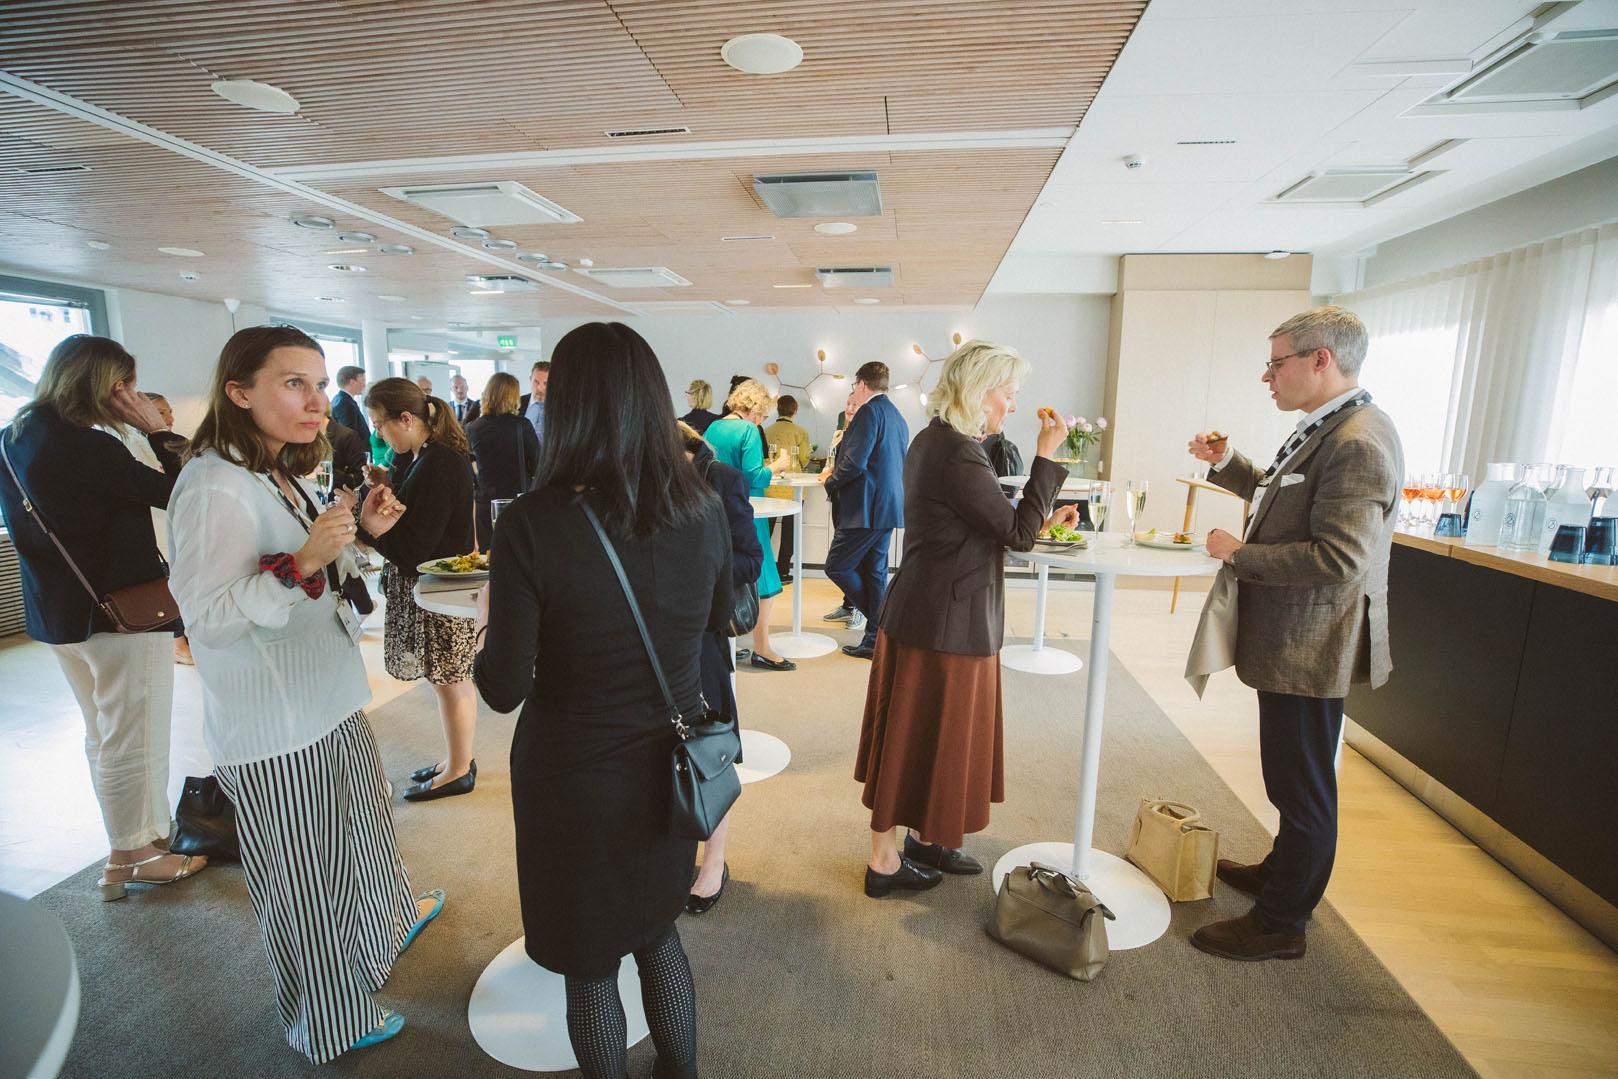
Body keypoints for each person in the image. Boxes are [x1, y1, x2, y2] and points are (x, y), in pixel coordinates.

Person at [168, 325, 441, 1061]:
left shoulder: (272, 468)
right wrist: (305, 560)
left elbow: (319, 571)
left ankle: (384, 925)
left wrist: (362, 539)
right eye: (294, 383)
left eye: (319, 384)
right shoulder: (212, 486)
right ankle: (327, 1018)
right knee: (305, 881)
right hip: (275, 724)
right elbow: (208, 621)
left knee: (363, 832)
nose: (317, 401)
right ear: (239, 392)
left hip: (327, 695)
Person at [473, 322, 730, 1079]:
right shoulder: (702, 506)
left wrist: (486, 624)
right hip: (670, 764)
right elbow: (719, 624)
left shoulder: (532, 522)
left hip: (573, 774)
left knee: (589, 966)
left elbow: (503, 687)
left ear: (568, 408)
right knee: (657, 933)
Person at [1184, 306, 1402, 961]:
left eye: (1276, 362)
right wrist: (1230, 464)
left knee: (1303, 787)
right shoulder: (1333, 425)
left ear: (1320, 359)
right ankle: (1281, 872)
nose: (1267, 375)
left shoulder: (1359, 439)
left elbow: (1340, 557)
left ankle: (1282, 923)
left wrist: (1238, 553)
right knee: (1289, 775)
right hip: (1296, 640)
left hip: (1312, 644)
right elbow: (1285, 495)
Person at [855, 340, 1076, 898]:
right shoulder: (956, 452)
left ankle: (926, 839)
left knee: (927, 734)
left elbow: (985, 522)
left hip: (935, 610)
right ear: (979, 392)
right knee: (913, 736)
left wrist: (1042, 516)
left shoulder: (939, 441)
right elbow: (1016, 534)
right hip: (943, 620)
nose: (1013, 406)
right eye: (1009, 393)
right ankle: (883, 862)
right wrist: (1046, 457)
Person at [0, 335, 208, 900]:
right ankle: (133, 855)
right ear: (110, 386)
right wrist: (157, 431)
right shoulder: (89, 446)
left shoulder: (16, 436)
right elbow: (188, 493)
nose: (133, 397)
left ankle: (135, 843)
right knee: (133, 736)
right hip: (122, 611)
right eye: (127, 387)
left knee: (105, 734)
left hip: (59, 612)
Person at [362, 377, 478, 801]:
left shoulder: (439, 462)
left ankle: (459, 769)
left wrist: (370, 531)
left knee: (451, 679)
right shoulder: (423, 457)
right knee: (446, 680)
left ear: (407, 419)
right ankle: (457, 760)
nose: (379, 434)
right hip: (435, 586)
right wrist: (387, 483)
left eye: (380, 424)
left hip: (441, 588)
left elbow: (414, 548)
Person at [678, 420, 762, 915]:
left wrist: (698, 568)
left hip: (703, 632)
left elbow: (752, 559)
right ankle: (674, 856)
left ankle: (714, 863)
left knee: (710, 748)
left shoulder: (723, 480)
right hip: (653, 635)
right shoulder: (634, 480)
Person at [821, 361, 907, 660]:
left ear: (860, 384)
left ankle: (883, 622)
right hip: (887, 507)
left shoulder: (868, 412)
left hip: (865, 507)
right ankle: (874, 641)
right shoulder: (897, 416)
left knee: (837, 566)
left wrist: (831, 482)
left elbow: (854, 463)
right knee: (874, 573)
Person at [706, 379, 793, 671]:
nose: (761, 420)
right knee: (763, 576)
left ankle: (729, 639)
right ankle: (763, 648)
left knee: (726, 573)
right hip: (747, 510)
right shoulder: (748, 430)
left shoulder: (714, 428)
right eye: (762, 415)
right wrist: (777, 466)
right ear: (754, 408)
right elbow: (754, 476)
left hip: (718, 510)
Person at [466, 371, 539, 549]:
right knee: (518, 552)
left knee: (489, 555)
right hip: (517, 501)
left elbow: (468, 468)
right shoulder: (522, 425)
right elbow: (538, 464)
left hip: (486, 503)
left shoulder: (473, 428)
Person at [820, 393, 865, 632]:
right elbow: (831, 463)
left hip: (854, 503)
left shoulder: (862, 434)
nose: (849, 408)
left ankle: (861, 607)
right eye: (848, 403)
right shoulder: (840, 433)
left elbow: (853, 467)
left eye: (855, 404)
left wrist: (832, 477)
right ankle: (849, 604)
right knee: (844, 556)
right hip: (838, 499)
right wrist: (827, 472)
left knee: (849, 560)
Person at [764, 394, 812, 583]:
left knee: (765, 532)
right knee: (789, 533)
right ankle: (783, 571)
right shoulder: (801, 432)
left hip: (770, 487)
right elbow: (804, 458)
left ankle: (763, 572)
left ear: (778, 409)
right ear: (795, 410)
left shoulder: (766, 431)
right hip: (793, 489)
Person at [322, 400, 369, 493]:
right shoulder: (303, 437)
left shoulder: (347, 436)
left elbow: (360, 478)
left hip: (339, 497)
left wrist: (326, 472)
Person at [331, 365, 370, 444]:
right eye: (363, 380)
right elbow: (349, 435)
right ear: (352, 382)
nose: (364, 385)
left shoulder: (340, 400)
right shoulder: (344, 403)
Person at [519, 360, 549, 444]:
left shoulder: (561, 408)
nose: (540, 388)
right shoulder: (517, 403)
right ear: (530, 379)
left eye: (545, 383)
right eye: (536, 382)